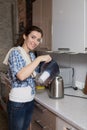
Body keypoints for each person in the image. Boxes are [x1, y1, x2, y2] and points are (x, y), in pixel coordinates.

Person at [3, 25, 52, 130]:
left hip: (30, 100)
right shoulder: (15, 52)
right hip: (18, 102)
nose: (35, 42)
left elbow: (33, 77)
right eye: (33, 37)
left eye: (38, 39)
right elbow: (21, 76)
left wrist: (46, 79)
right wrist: (39, 59)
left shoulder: (31, 55)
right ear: (25, 36)